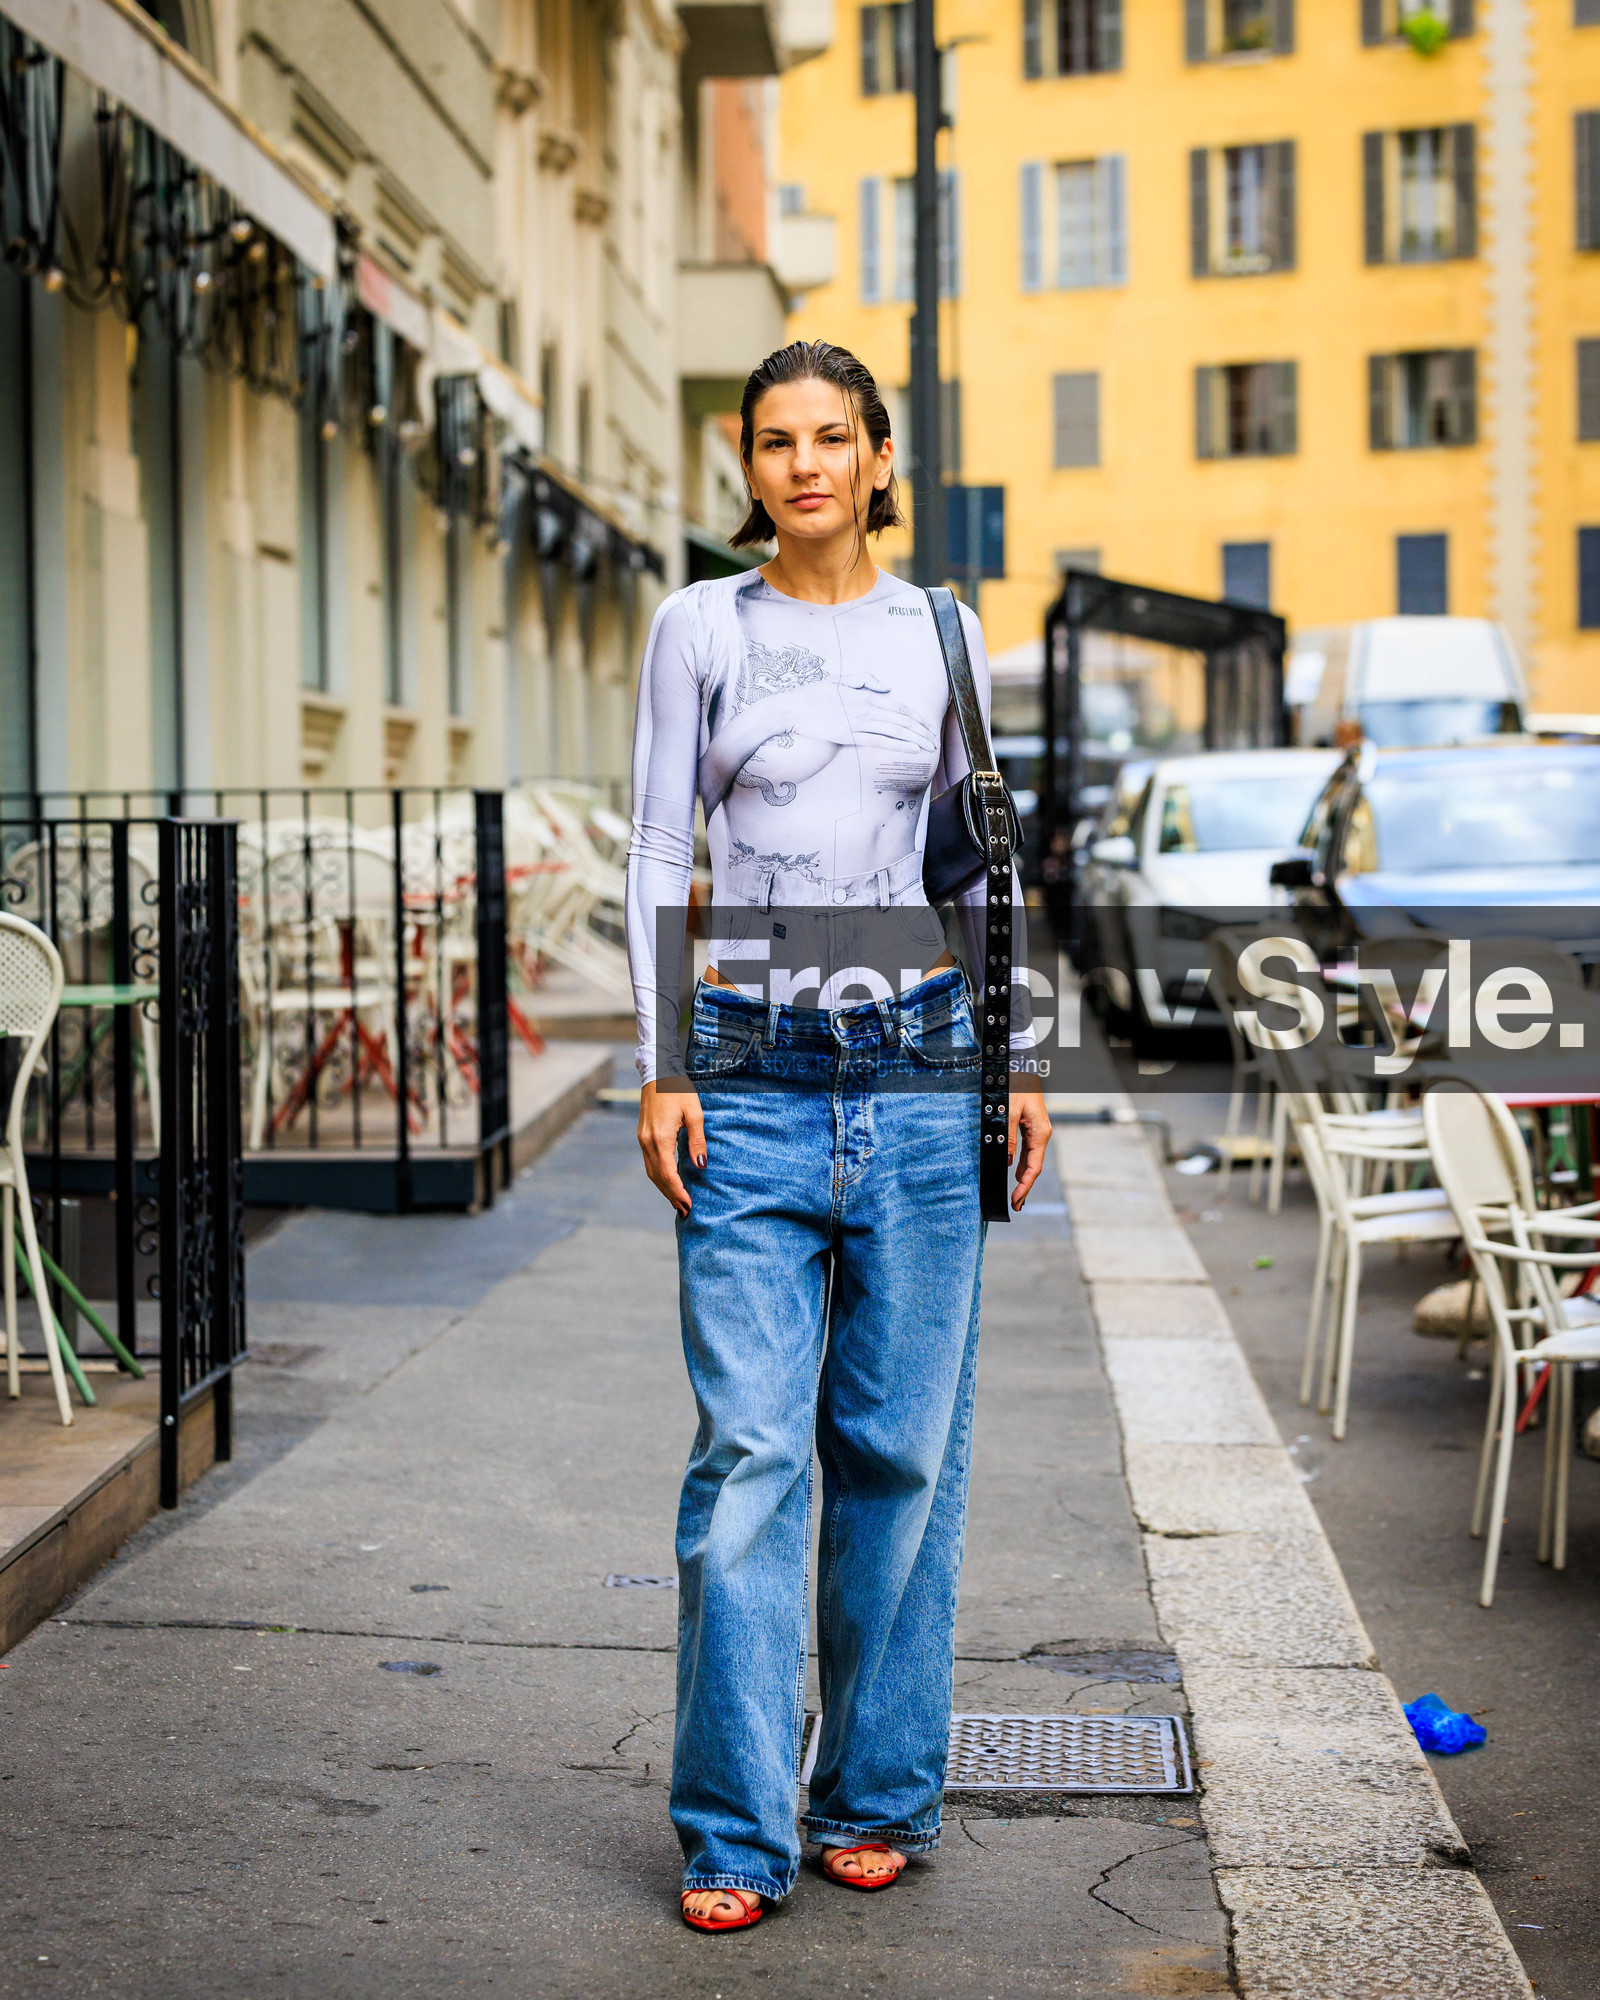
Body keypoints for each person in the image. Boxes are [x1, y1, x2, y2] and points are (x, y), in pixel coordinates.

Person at [625, 339, 1052, 1933]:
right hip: (744, 1070)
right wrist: (668, 1058)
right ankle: (737, 1829)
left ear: (881, 457)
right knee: (747, 1456)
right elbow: (664, 839)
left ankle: (875, 1792)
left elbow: (981, 863)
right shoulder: (700, 629)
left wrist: (1016, 1058)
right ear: (747, 470)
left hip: (925, 1069)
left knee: (899, 1452)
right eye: (771, 441)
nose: (802, 464)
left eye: (831, 438)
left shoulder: (945, 633)